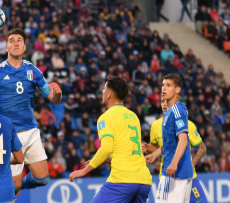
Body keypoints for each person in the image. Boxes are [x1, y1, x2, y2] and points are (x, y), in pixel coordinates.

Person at [0, 28, 62, 191]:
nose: (16, 43)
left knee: (42, 179)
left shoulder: (33, 71)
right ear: (6, 47)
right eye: (11, 40)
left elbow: (53, 99)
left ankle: (2, 188)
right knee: (15, 185)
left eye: (19, 40)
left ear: (25, 46)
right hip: (8, 134)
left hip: (31, 131)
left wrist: (58, 94)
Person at [69, 76, 152, 203]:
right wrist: (104, 161)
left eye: (104, 89)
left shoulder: (105, 118)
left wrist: (84, 171)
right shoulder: (133, 116)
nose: (102, 92)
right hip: (143, 180)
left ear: (109, 94)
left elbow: (106, 148)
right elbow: (126, 150)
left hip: (123, 180)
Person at [143, 98, 208, 203]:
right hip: (167, 177)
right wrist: (148, 149)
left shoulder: (188, 125)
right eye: (162, 101)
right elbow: (158, 148)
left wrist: (192, 163)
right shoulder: (155, 125)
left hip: (188, 177)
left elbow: (202, 148)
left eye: (167, 101)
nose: (164, 105)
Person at [153, 73, 193, 202]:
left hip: (173, 173)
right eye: (163, 85)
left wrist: (174, 163)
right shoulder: (171, 111)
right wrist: (155, 154)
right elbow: (172, 142)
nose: (164, 88)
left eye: (169, 85)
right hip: (181, 174)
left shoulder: (176, 110)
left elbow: (183, 139)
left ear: (177, 90)